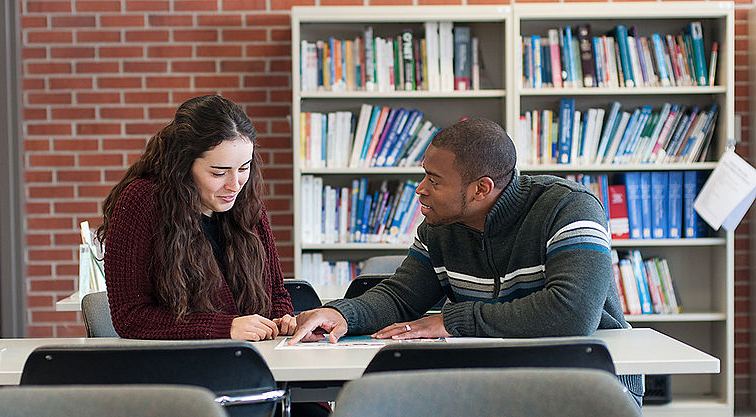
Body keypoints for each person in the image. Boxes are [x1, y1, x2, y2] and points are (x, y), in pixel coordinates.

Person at [289, 118, 644, 406]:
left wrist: (454, 321)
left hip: (591, 386)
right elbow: (400, 297)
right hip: (495, 385)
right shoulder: (440, 226)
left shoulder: (568, 207)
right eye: (424, 174)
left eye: (434, 180)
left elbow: (572, 314)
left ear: (481, 189)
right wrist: (340, 314)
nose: (420, 188)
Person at [97, 94, 296, 341]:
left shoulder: (246, 200)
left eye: (244, 168)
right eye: (219, 172)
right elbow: (130, 317)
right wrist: (225, 328)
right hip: (179, 365)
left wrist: (281, 318)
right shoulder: (141, 201)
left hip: (250, 358)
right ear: (184, 164)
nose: (235, 185)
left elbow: (276, 292)